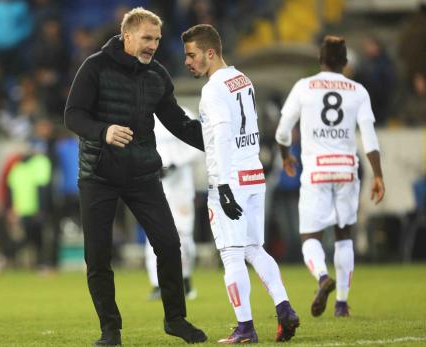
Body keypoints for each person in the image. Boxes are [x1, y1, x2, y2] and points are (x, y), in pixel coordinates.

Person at [64, 7, 207, 346]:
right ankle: (110, 330)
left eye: (157, 39)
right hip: (98, 174)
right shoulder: (94, 67)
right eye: (146, 38)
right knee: (98, 256)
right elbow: (72, 115)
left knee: (170, 245)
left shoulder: (157, 75)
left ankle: (176, 320)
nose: (153, 45)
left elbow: (178, 123)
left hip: (141, 173)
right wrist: (103, 131)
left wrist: (216, 142)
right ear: (127, 36)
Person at [182, 24, 300, 344]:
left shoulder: (212, 89)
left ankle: (245, 327)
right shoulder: (241, 78)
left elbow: (220, 134)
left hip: (230, 177)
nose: (187, 62)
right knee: (253, 248)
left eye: (192, 55)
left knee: (232, 255)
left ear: (210, 52)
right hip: (253, 173)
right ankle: (284, 308)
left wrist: (221, 184)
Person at [275, 35, 385, 318]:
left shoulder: (304, 87)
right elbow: (369, 138)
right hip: (347, 168)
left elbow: (283, 130)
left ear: (320, 61)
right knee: (343, 234)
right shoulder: (358, 91)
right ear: (346, 63)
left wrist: (286, 155)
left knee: (309, 235)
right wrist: (378, 175)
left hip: (316, 169)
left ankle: (323, 278)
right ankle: (342, 304)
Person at [145, 107, 201, 301]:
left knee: (183, 234)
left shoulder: (183, 113)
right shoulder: (142, 115)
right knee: (152, 233)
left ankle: (185, 279)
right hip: (153, 185)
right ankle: (156, 283)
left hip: (180, 188)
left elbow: (199, 145)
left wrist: (176, 163)